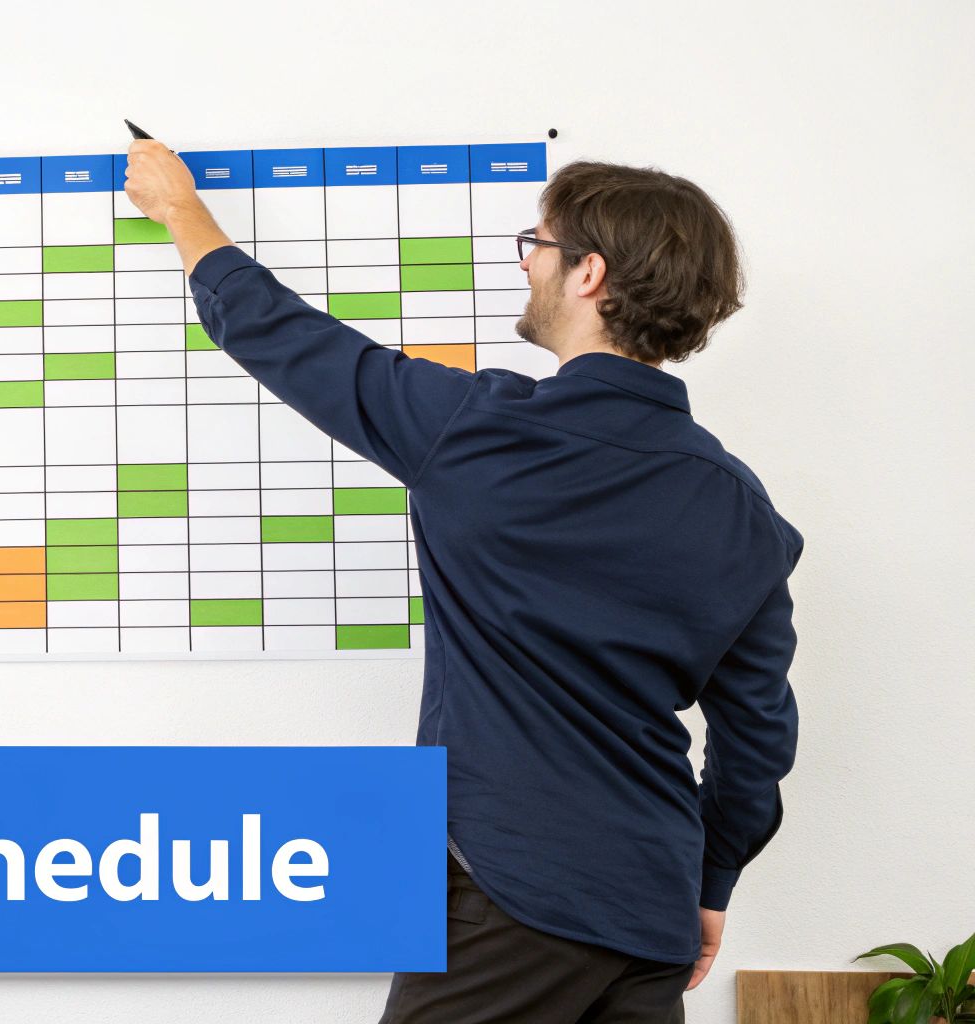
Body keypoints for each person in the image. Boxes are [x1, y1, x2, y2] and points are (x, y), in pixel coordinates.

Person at [123, 137, 802, 1024]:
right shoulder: (744, 510)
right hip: (653, 909)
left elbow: (284, 337)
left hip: (510, 895)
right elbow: (757, 740)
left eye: (539, 245)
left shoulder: (478, 432)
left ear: (589, 273)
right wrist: (709, 881)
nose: (526, 264)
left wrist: (181, 211)